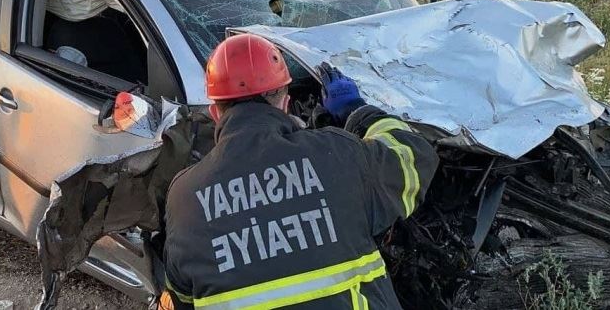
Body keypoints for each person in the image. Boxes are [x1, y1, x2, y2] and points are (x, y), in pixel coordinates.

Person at [161, 33, 439, 310]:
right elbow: (414, 158)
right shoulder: (338, 156)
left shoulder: (184, 197)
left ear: (215, 112)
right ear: (284, 101)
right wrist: (359, 111)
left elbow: (181, 298)